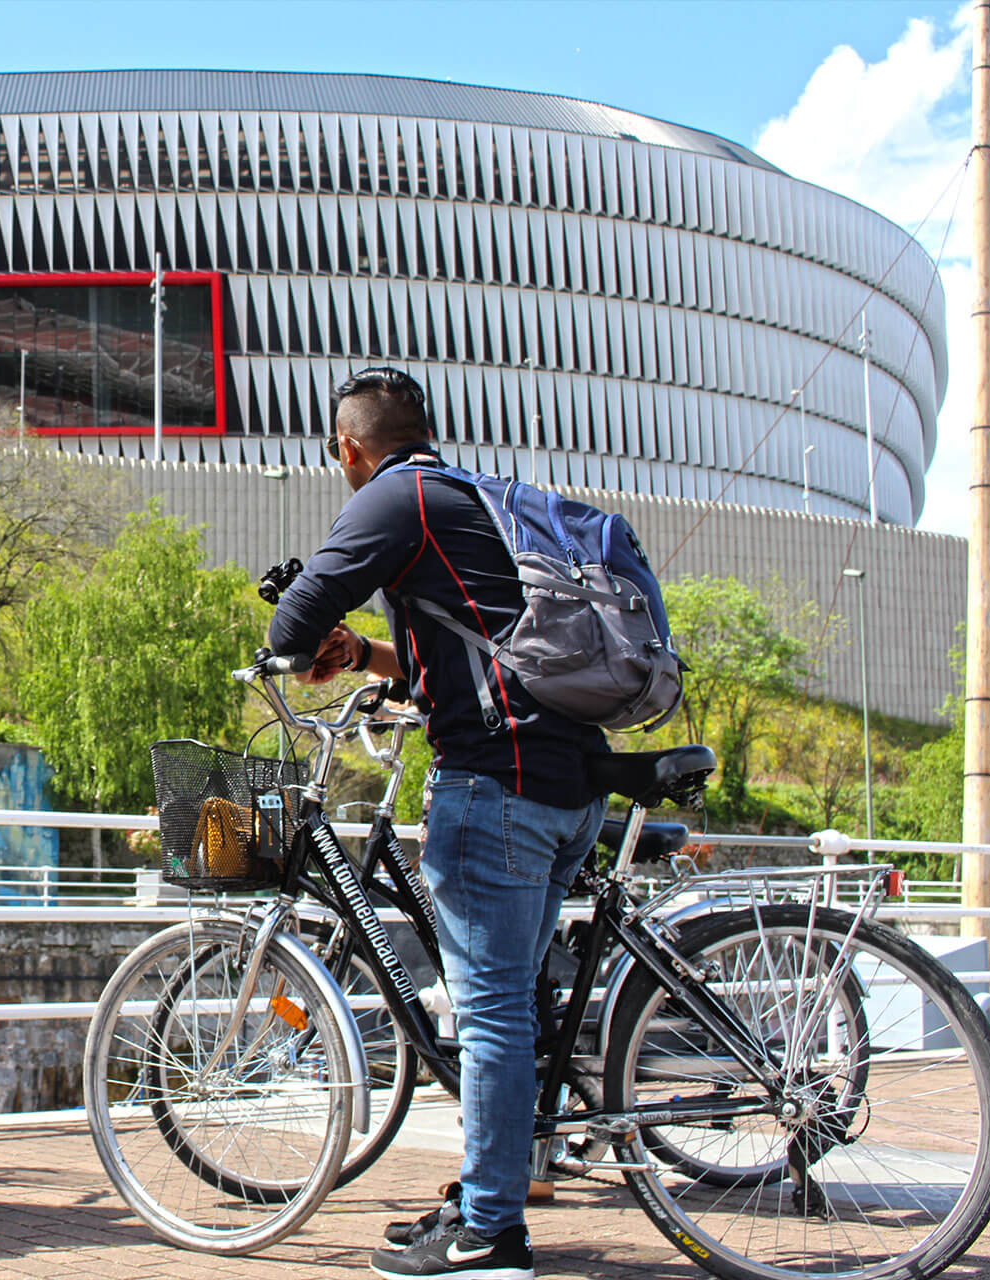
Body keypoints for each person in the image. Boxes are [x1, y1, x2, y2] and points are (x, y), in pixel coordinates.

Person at [266, 367, 608, 1280]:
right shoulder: (471, 500)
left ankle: (492, 1237)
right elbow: (447, 666)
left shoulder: (396, 495)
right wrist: (365, 653)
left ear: (348, 448)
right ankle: (482, 1191)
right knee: (510, 1004)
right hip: (568, 784)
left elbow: (296, 616)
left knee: (489, 1012)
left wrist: (290, 646)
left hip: (496, 788)